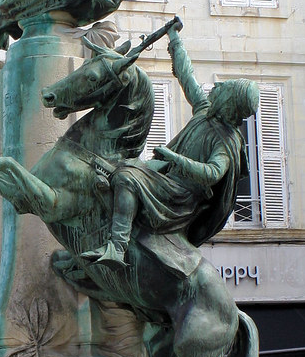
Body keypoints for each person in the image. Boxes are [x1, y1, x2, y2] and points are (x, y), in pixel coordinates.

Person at [83, 24, 259, 267]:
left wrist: (173, 158)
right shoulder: (205, 111)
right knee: (109, 167)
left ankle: (117, 247)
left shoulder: (226, 140)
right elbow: (187, 78)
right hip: (165, 178)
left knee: (126, 178)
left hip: (179, 196)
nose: (216, 87)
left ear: (229, 101)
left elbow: (213, 173)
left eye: (223, 87)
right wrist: (174, 39)